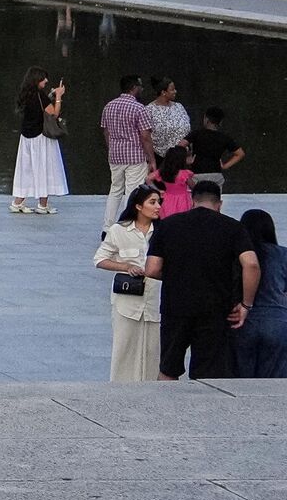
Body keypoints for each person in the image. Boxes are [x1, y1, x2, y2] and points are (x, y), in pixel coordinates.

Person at [146, 181, 259, 380]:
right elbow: (251, 264)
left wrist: (177, 274)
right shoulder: (233, 227)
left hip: (176, 307)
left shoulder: (168, 225)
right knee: (208, 373)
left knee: (168, 369)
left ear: (192, 201)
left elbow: (152, 268)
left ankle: (164, 399)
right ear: (220, 204)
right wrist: (246, 305)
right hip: (215, 309)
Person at [96, 185, 165, 381]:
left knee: (154, 348)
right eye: (152, 202)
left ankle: (151, 386)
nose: (158, 207)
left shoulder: (163, 230)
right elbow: (100, 259)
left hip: (155, 300)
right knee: (124, 347)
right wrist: (126, 267)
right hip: (127, 301)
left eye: (159, 202)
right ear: (138, 206)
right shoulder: (119, 230)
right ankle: (121, 387)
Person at [233, 210, 287, 379]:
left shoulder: (238, 255)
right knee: (273, 383)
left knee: (240, 382)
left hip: (241, 321)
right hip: (276, 322)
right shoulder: (283, 254)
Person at [100, 75, 157, 231]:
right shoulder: (139, 108)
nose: (142, 89)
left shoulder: (109, 106)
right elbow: (145, 136)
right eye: (140, 86)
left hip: (115, 155)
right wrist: (152, 159)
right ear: (133, 88)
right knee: (133, 192)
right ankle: (128, 226)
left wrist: (111, 149)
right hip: (135, 156)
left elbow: (106, 132)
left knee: (115, 190)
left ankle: (107, 227)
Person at [10, 67, 67, 215]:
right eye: (43, 78)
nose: (46, 81)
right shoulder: (40, 96)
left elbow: (38, 107)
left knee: (26, 169)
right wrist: (58, 96)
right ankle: (43, 205)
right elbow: (54, 114)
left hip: (26, 137)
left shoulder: (25, 94)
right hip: (41, 137)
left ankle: (18, 202)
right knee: (44, 167)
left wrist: (50, 95)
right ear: (37, 80)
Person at [185, 107, 243, 191]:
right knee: (214, 197)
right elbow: (240, 154)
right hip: (216, 174)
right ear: (221, 122)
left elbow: (180, 145)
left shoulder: (196, 134)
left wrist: (185, 159)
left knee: (197, 197)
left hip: (197, 174)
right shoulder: (224, 137)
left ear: (206, 119)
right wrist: (225, 166)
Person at [144, 76, 191, 155]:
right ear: (163, 92)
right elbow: (146, 136)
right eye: (172, 89)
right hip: (161, 156)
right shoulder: (149, 110)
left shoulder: (179, 106)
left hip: (182, 155)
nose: (175, 91)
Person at [152, 146, 195, 220]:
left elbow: (148, 179)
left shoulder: (163, 171)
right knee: (182, 219)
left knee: (168, 219)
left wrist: (157, 190)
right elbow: (193, 186)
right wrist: (189, 165)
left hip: (167, 198)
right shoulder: (184, 173)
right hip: (182, 200)